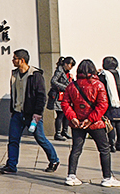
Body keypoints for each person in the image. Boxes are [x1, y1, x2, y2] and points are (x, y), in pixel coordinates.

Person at [0, 49, 59, 175]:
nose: (12, 61)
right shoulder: (14, 74)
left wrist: (37, 114)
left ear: (22, 60)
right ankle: (11, 165)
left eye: (14, 58)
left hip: (32, 115)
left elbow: (41, 96)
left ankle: (54, 160)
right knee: (13, 140)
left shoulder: (35, 75)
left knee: (40, 138)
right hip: (17, 113)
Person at [62, 59, 120, 187]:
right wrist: (90, 119)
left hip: (77, 123)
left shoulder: (72, 85)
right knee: (104, 149)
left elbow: (65, 103)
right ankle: (107, 177)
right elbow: (103, 104)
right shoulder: (98, 85)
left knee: (76, 149)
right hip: (95, 123)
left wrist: (73, 117)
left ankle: (71, 176)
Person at [50, 56, 76, 141]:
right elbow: (53, 81)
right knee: (60, 115)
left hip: (66, 96)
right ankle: (57, 133)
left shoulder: (67, 72)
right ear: (65, 64)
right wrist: (65, 87)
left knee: (66, 115)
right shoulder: (59, 71)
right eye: (70, 65)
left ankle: (64, 131)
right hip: (59, 96)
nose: (71, 67)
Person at [99, 57, 120, 152]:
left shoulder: (103, 76)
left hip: (109, 103)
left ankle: (112, 144)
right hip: (119, 102)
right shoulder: (118, 74)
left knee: (110, 124)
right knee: (119, 123)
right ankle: (119, 143)